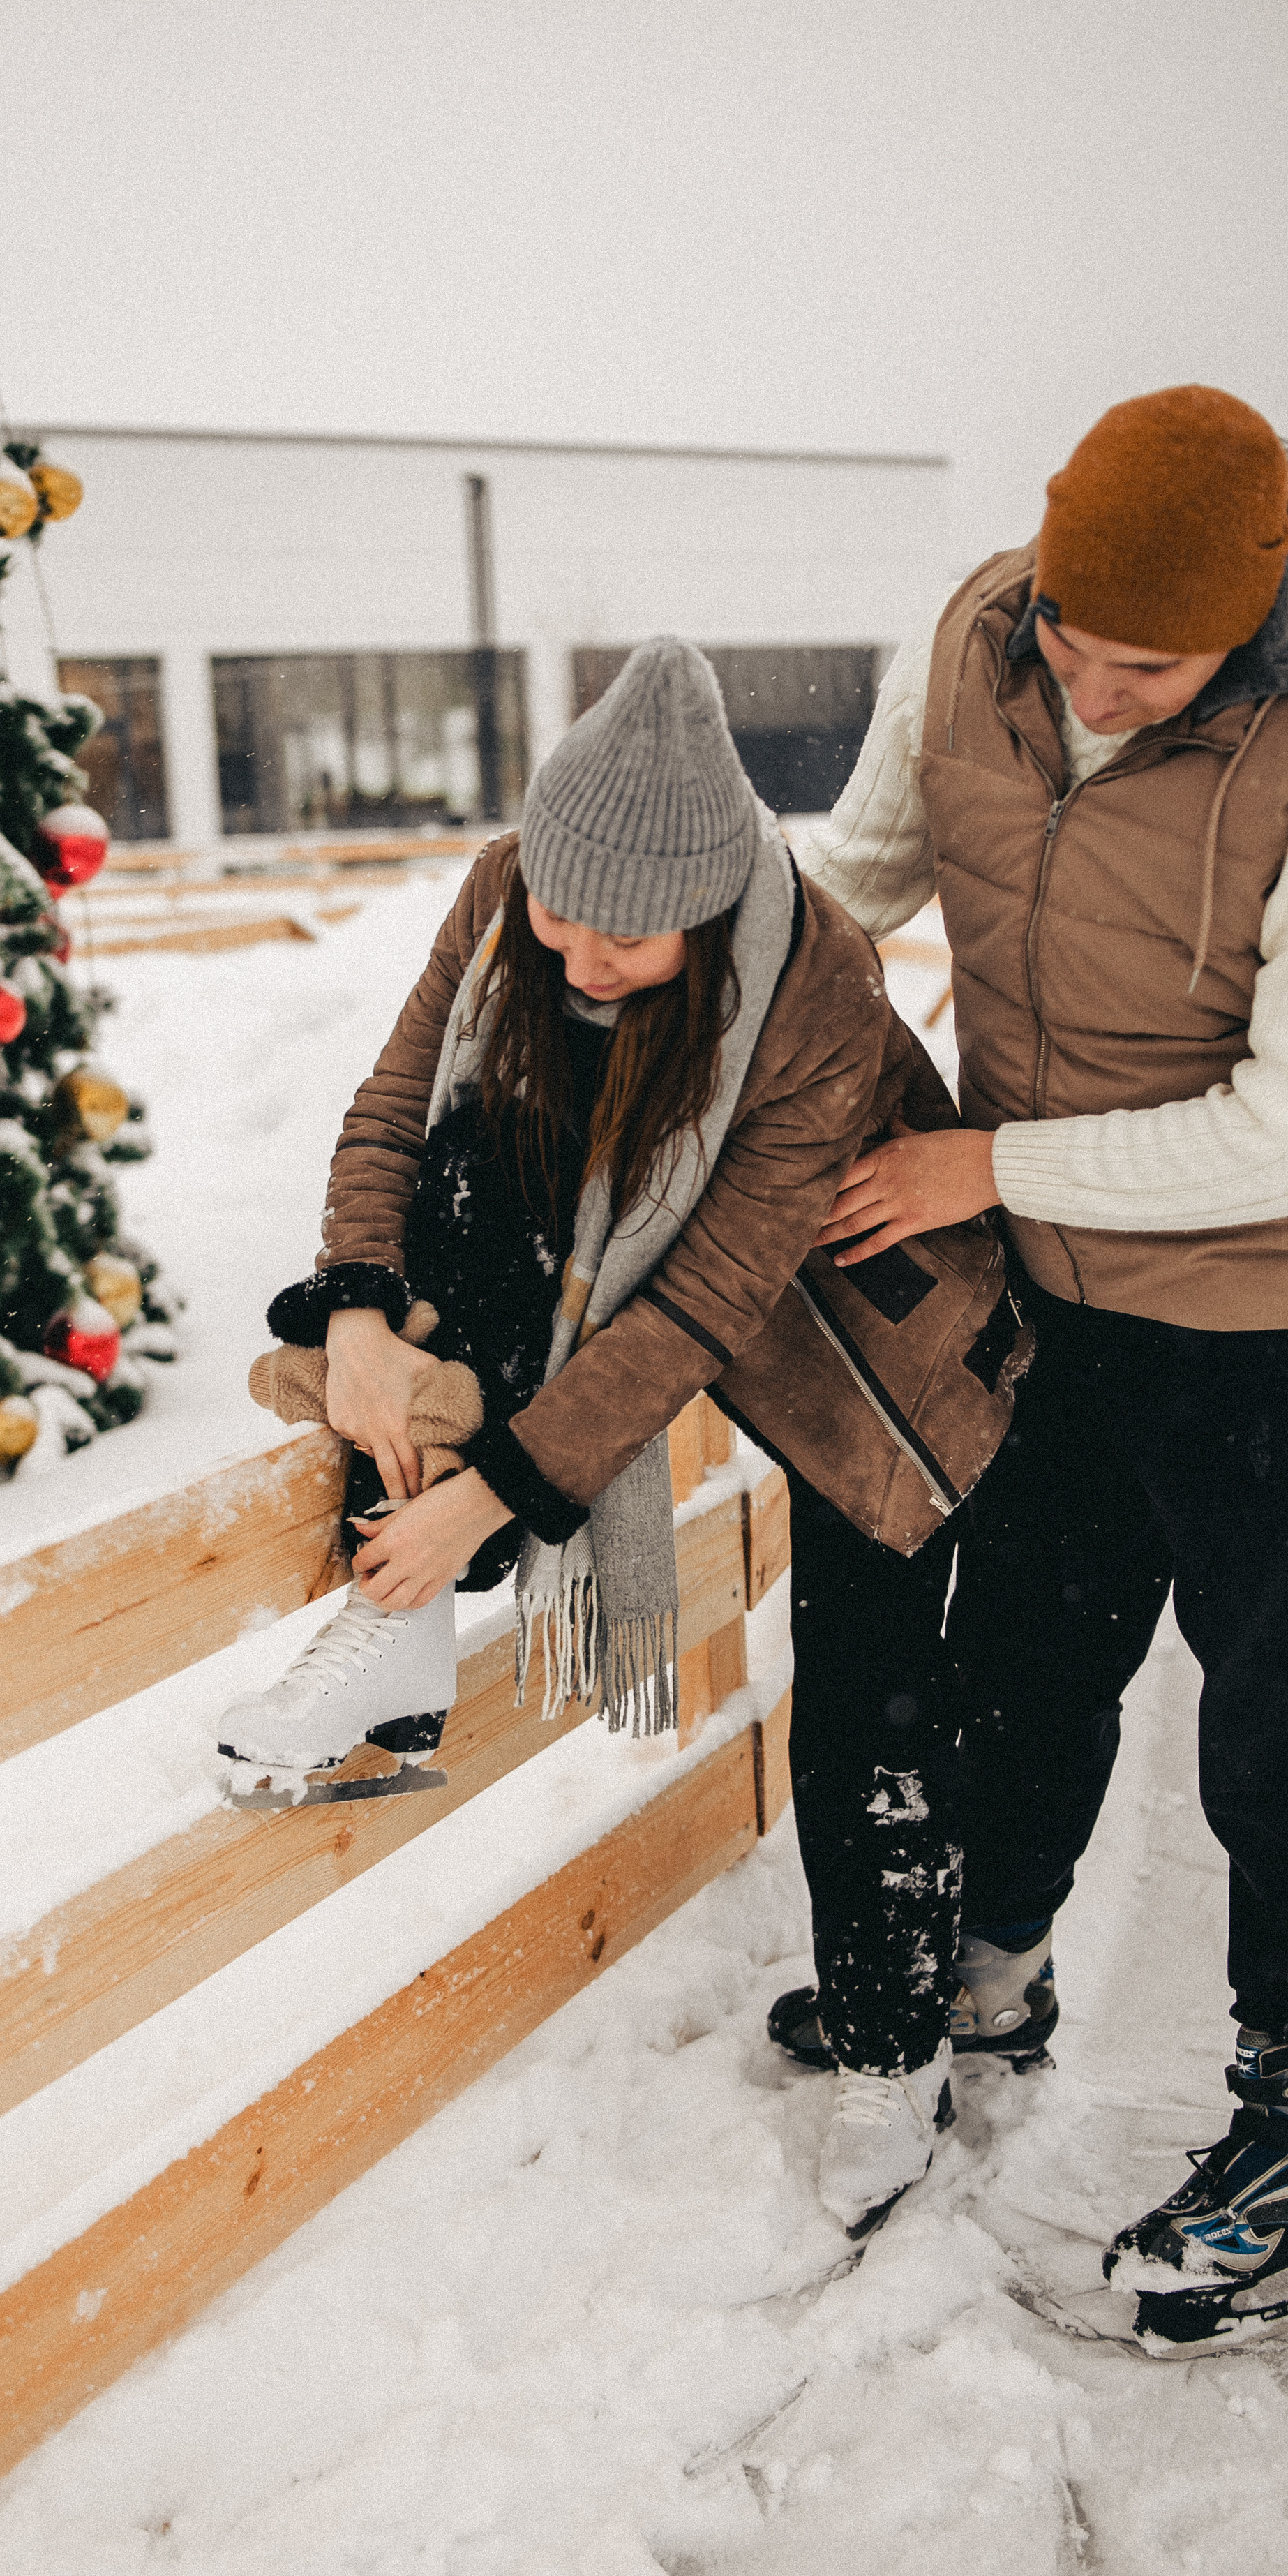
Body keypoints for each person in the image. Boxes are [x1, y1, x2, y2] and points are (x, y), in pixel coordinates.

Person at [223, 638, 1028, 2234]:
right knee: (461, 1174)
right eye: (560, 915)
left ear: (712, 905)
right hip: (609, 1261)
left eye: (629, 934)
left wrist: (500, 1489)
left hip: (854, 1341)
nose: (580, 956)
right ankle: (393, 1643)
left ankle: (889, 2050)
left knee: (865, 1692)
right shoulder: (507, 891)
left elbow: (708, 1299)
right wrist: (363, 1313)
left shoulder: (813, 989)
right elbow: (393, 1105)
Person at [797, 385, 1288, 2340]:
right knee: (1033, 1644)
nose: (1094, 683)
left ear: (1254, 618)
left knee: (1281, 1704)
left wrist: (985, 1160)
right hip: (1054, 1292)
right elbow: (860, 883)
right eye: (1072, 634)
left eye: (1150, 664)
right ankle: (997, 1961)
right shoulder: (983, 640)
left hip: (1277, 1310)